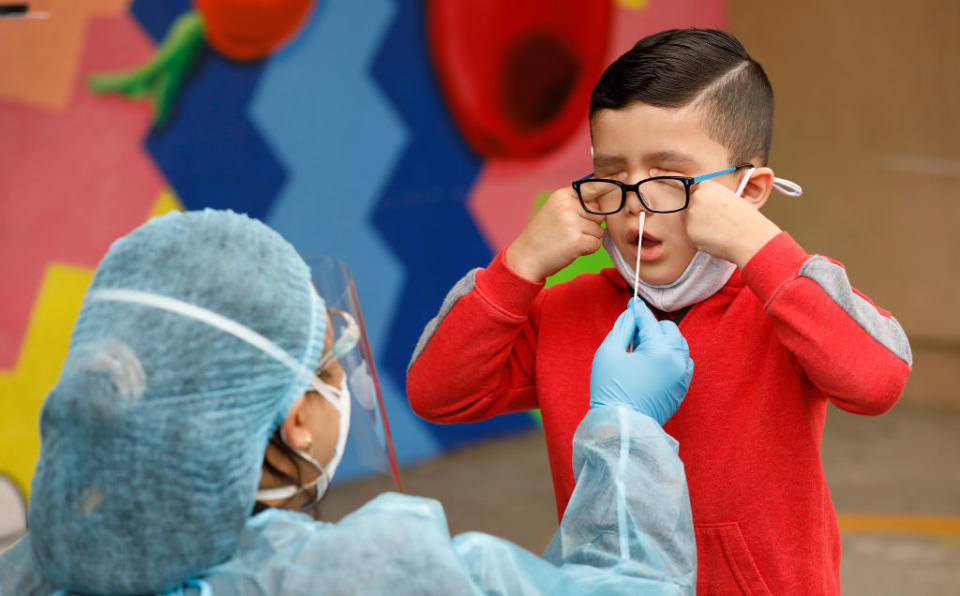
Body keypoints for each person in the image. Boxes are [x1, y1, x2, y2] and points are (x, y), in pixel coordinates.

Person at [406, 28, 913, 595]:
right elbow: (436, 391)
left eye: (669, 177)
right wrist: (519, 264)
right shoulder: (567, 312)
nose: (635, 205)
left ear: (747, 192)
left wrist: (760, 248)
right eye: (613, 173)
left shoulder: (784, 301)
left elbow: (878, 380)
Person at [0, 209, 699, 595]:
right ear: (299, 422)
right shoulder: (367, 578)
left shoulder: (33, 567)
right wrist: (627, 434)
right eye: (333, 364)